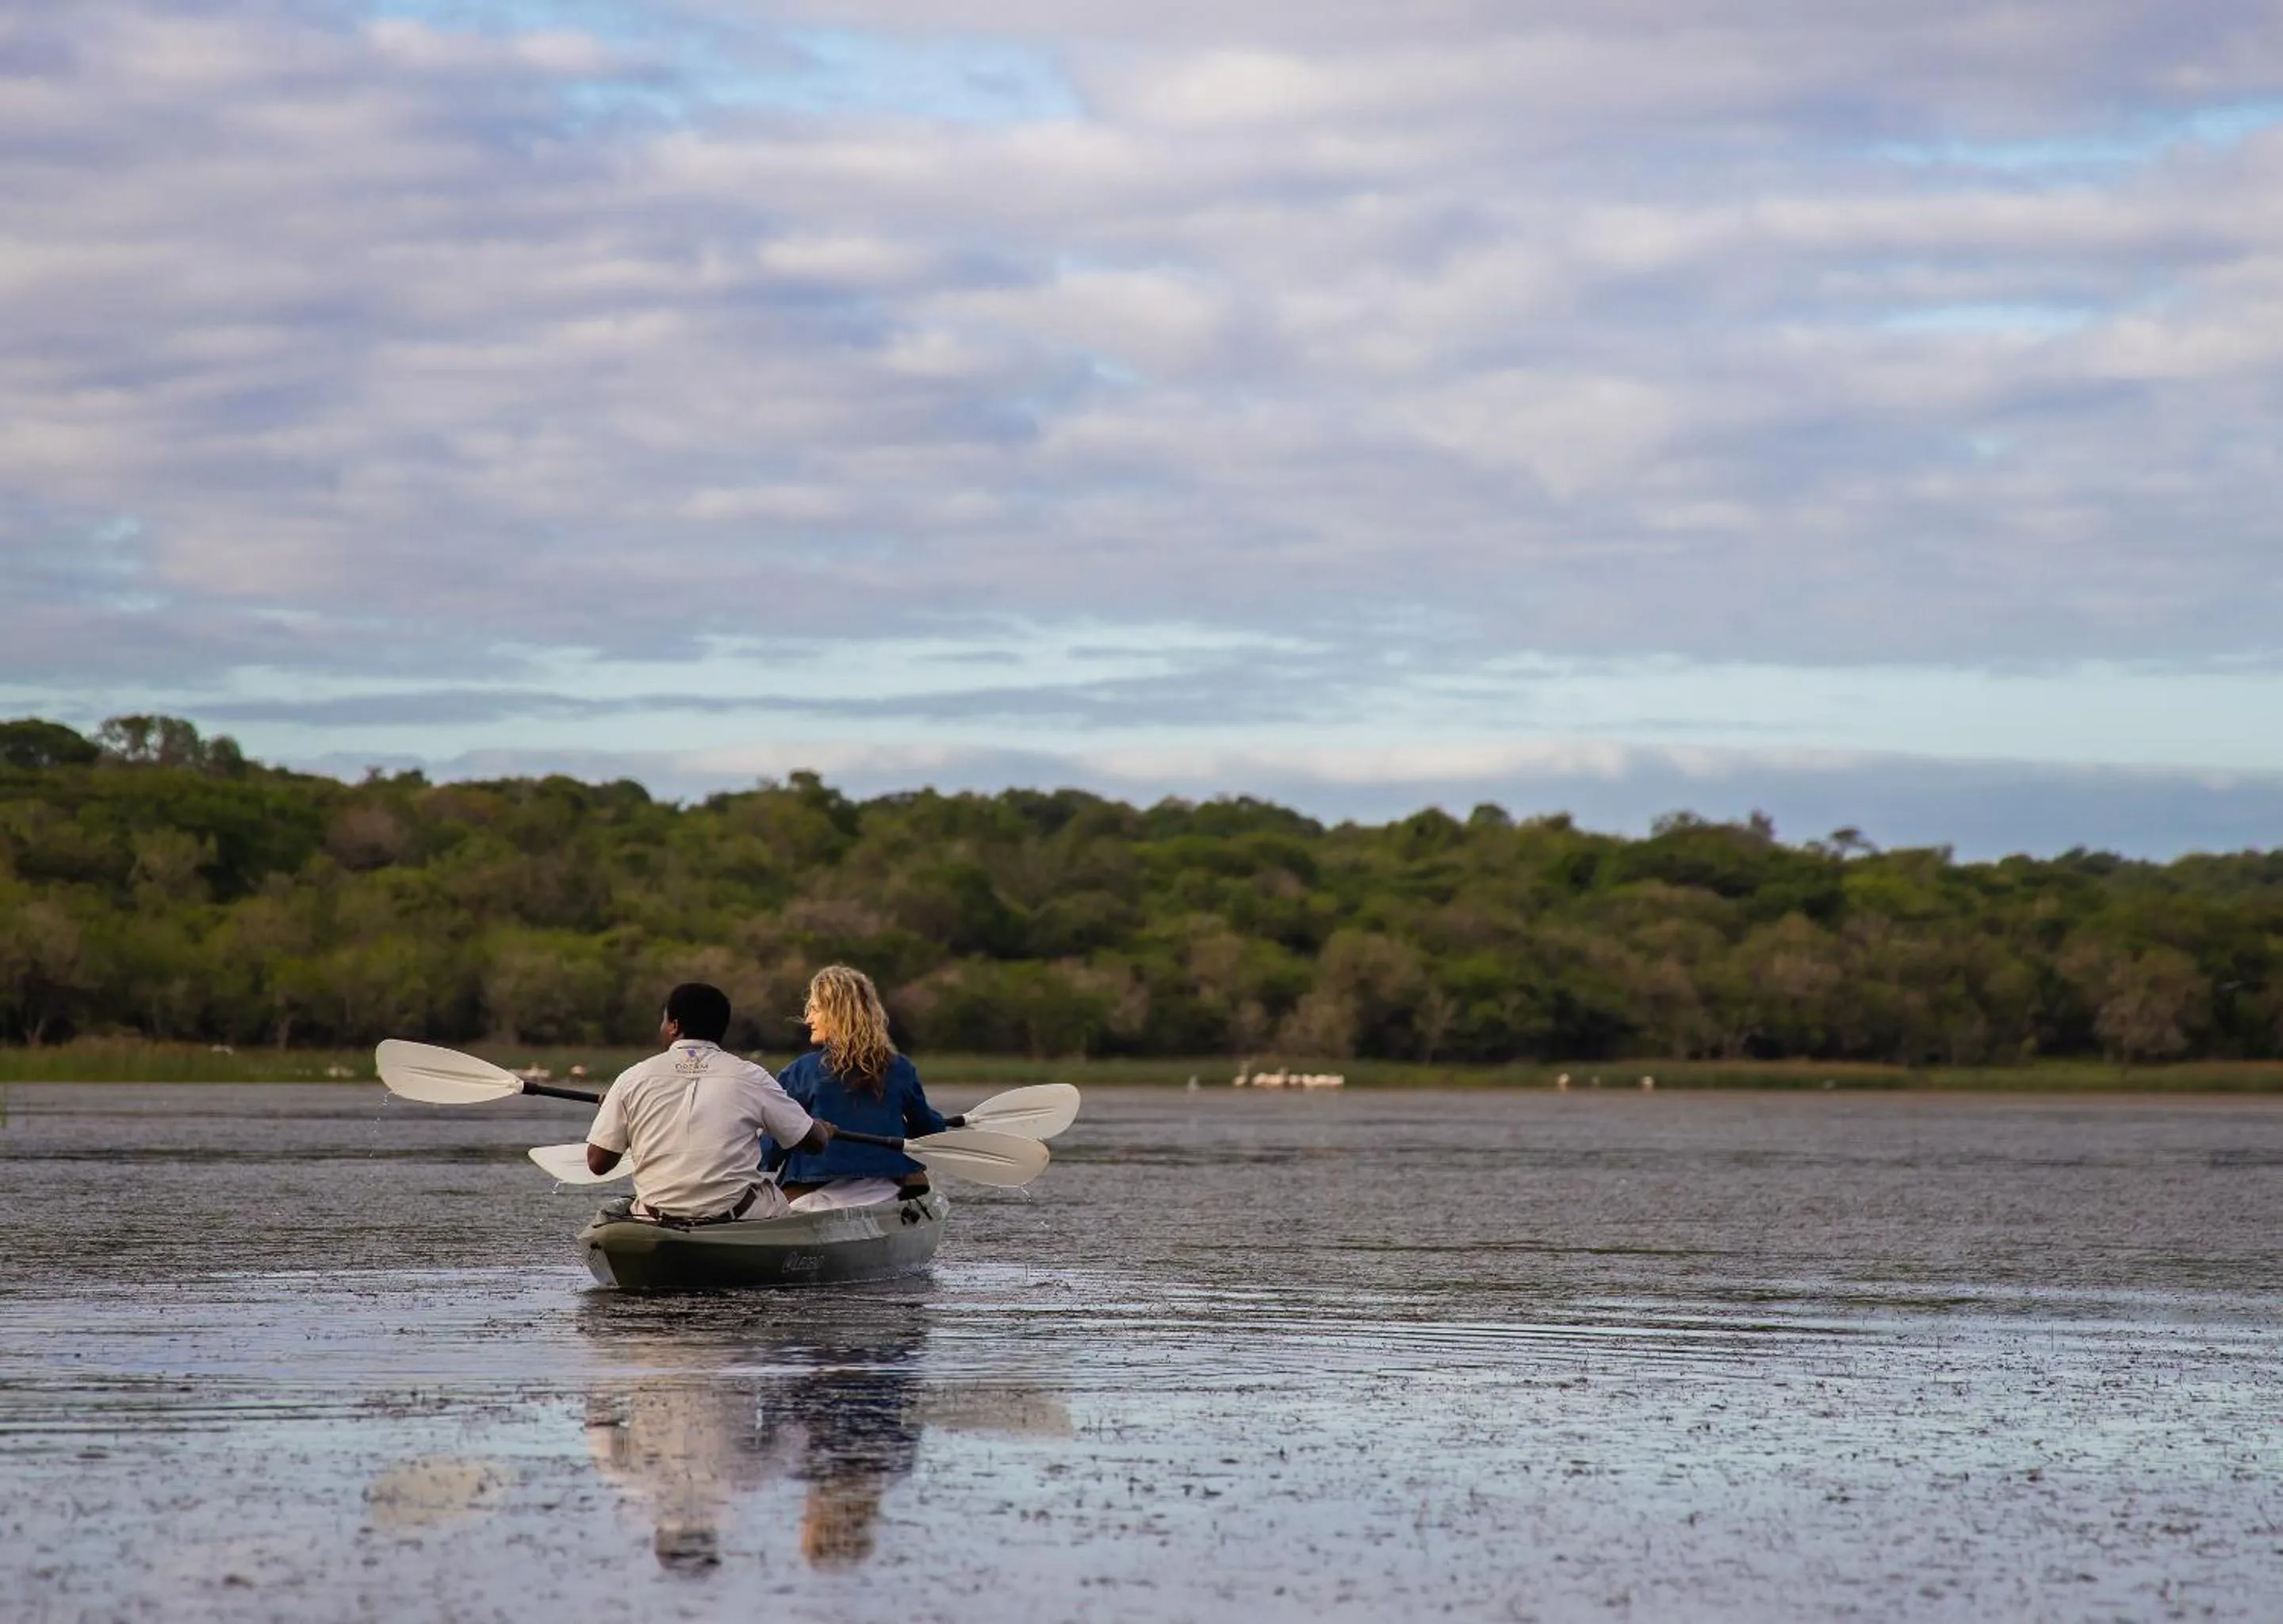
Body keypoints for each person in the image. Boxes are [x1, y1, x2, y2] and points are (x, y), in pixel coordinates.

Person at [586, 982, 833, 1224]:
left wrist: (615, 1114)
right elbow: (813, 1142)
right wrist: (823, 1129)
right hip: (736, 1217)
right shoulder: (752, 1076)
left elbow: (598, 1164)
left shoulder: (632, 1078)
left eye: (664, 1020)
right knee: (774, 1195)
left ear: (674, 1026)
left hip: (655, 1219)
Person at [767, 964, 961, 1213]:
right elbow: (927, 1129)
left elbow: (773, 1148)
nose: (808, 1019)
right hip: (888, 1192)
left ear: (837, 1013)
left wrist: (762, 1155)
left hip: (810, 1197)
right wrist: (936, 1123)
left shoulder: (798, 1073)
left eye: (815, 1009)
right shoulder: (900, 1068)